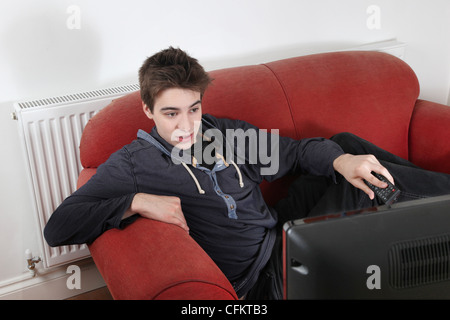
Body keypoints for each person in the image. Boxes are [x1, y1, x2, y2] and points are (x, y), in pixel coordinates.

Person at [44, 47, 450, 299]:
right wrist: (135, 201)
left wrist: (340, 160)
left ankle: (438, 198)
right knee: (359, 189)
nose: (187, 126)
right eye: (171, 114)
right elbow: (58, 227)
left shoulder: (221, 133)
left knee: (342, 147)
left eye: (194, 109)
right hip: (265, 276)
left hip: (281, 231)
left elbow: (293, 153)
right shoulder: (135, 165)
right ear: (148, 111)